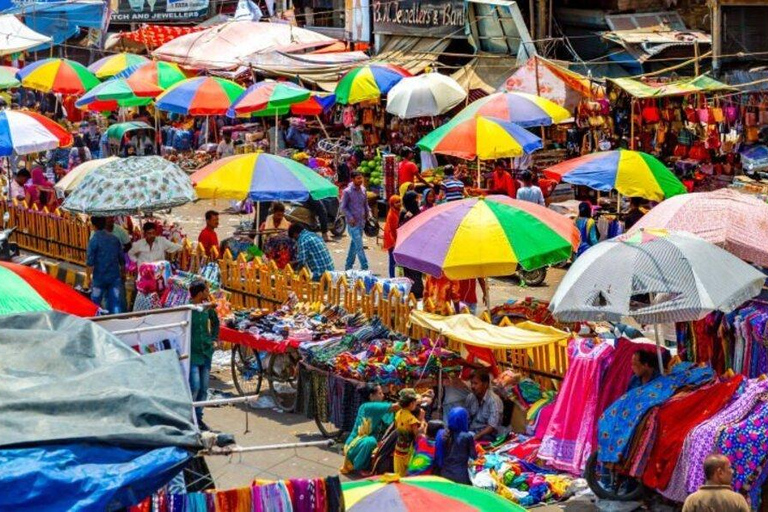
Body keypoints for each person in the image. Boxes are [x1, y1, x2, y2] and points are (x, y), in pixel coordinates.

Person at [341, 384, 399, 475]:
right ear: (371, 396)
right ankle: (360, 467)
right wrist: (417, 399)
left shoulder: (378, 407)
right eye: (380, 393)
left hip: (363, 445)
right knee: (370, 441)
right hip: (353, 446)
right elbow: (396, 407)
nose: (383, 395)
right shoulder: (369, 407)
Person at [188, 280, 220, 431]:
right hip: (192, 353)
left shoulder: (207, 308)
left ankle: (198, 418)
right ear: (200, 293)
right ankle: (190, 417)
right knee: (195, 386)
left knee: (204, 388)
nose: (208, 293)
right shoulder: (186, 309)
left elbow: (215, 322)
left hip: (206, 351)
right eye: (206, 291)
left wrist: (213, 339)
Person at [682, 454, 749, 512]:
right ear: (720, 472)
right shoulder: (737, 500)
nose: (732, 472)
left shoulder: (692, 500)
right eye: (729, 468)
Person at [86, 216, 125, 314]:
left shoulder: (94, 240)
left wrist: (88, 277)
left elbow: (90, 261)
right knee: (115, 302)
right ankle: (116, 322)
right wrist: (123, 273)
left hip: (99, 277)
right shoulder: (115, 239)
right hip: (114, 276)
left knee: (95, 303)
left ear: (93, 226)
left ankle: (95, 320)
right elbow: (122, 259)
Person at [435, 407, 477, 484]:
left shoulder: (441, 433)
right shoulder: (467, 437)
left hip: (444, 474)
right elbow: (473, 456)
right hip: (460, 477)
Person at [340, 171, 371, 271]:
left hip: (362, 222)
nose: (360, 180)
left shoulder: (363, 190)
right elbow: (343, 207)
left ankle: (348, 266)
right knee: (359, 246)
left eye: (361, 178)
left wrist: (368, 215)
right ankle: (365, 267)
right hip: (353, 224)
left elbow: (365, 205)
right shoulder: (347, 192)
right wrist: (350, 217)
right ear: (352, 179)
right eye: (358, 178)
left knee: (354, 245)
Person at [465, 370, 504, 441]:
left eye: (476, 383)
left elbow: (492, 426)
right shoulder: (470, 397)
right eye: (472, 383)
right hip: (472, 431)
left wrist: (475, 437)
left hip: (487, 435)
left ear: (485, 384)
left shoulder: (494, 400)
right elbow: (467, 419)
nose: (472, 386)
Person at [394, 388, 424, 476]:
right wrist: (422, 422)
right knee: (407, 476)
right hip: (408, 451)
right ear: (411, 404)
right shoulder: (412, 419)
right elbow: (417, 434)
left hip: (398, 450)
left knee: (398, 475)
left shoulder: (398, 413)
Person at [399, 190, 424, 299]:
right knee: (410, 273)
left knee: (417, 272)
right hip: (408, 248)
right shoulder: (405, 213)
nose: (417, 201)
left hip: (418, 247)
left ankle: (416, 293)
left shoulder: (419, 212)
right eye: (415, 199)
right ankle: (412, 293)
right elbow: (400, 229)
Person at [382, 195, 401, 278]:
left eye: (400, 201)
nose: (399, 204)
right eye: (397, 202)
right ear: (392, 204)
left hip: (398, 239)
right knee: (392, 261)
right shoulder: (391, 214)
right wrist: (393, 242)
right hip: (392, 240)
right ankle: (392, 277)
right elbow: (388, 229)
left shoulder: (399, 211)